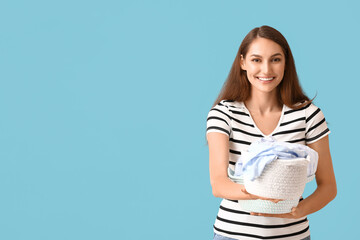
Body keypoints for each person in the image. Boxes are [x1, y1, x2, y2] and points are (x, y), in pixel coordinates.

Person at [206, 25, 337, 240]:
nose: (266, 70)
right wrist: (261, 195)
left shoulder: (308, 115)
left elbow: (329, 187)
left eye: (275, 59)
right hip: (234, 235)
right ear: (242, 63)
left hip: (293, 235)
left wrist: (297, 211)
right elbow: (218, 184)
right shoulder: (223, 113)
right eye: (256, 60)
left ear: (286, 63)